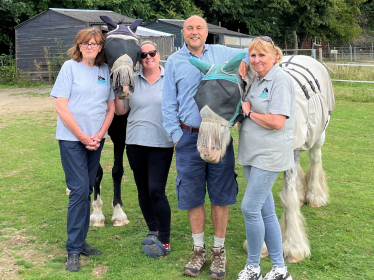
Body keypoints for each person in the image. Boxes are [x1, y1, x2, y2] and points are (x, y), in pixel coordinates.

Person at [162, 15, 249, 279]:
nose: (194, 32)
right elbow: (168, 104)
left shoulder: (222, 52)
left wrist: (245, 61)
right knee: (192, 195)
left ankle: (218, 252)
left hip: (220, 135)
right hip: (189, 137)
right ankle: (198, 250)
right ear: (183, 32)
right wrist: (177, 136)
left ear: (206, 31)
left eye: (199, 28)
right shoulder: (175, 61)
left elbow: (256, 46)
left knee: (221, 195)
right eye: (189, 28)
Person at [51, 28, 115, 272]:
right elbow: (61, 107)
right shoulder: (69, 67)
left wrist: (99, 135)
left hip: (95, 140)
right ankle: (73, 249)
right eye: (85, 43)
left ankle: (80, 240)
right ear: (78, 46)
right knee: (78, 190)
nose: (90, 46)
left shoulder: (103, 71)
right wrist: (81, 136)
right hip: (72, 140)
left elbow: (110, 109)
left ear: (100, 48)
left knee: (87, 188)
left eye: (95, 43)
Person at [236, 37, 295, 280]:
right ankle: (280, 269)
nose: (257, 60)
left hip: (269, 155)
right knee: (266, 212)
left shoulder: (280, 80)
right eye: (253, 56)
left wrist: (249, 113)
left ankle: (253, 267)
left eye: (262, 55)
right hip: (252, 153)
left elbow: (277, 121)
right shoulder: (257, 79)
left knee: (249, 208)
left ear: (274, 56)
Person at [114, 41, 174, 258]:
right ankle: (153, 229)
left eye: (152, 53)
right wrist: (121, 88)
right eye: (144, 54)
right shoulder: (133, 80)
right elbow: (121, 111)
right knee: (143, 191)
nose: (148, 57)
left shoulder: (170, 80)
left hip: (161, 143)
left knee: (157, 190)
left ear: (159, 55)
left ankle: (165, 240)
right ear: (139, 59)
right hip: (135, 142)